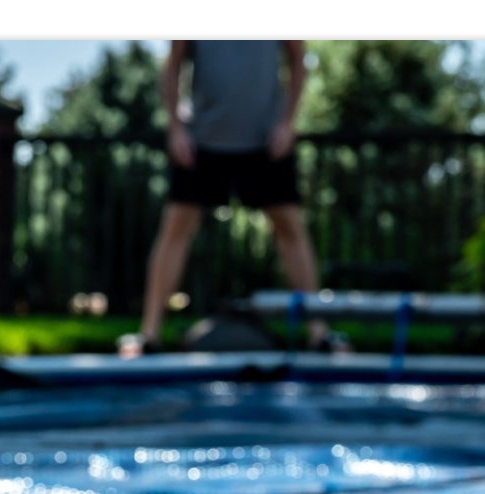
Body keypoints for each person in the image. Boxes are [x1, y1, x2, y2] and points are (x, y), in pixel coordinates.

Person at [119, 41, 342, 357]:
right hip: (202, 139)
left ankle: (319, 332)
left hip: (266, 139)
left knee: (290, 227)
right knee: (176, 228)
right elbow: (172, 64)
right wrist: (176, 128)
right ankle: (149, 333)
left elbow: (298, 60)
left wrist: (287, 123)